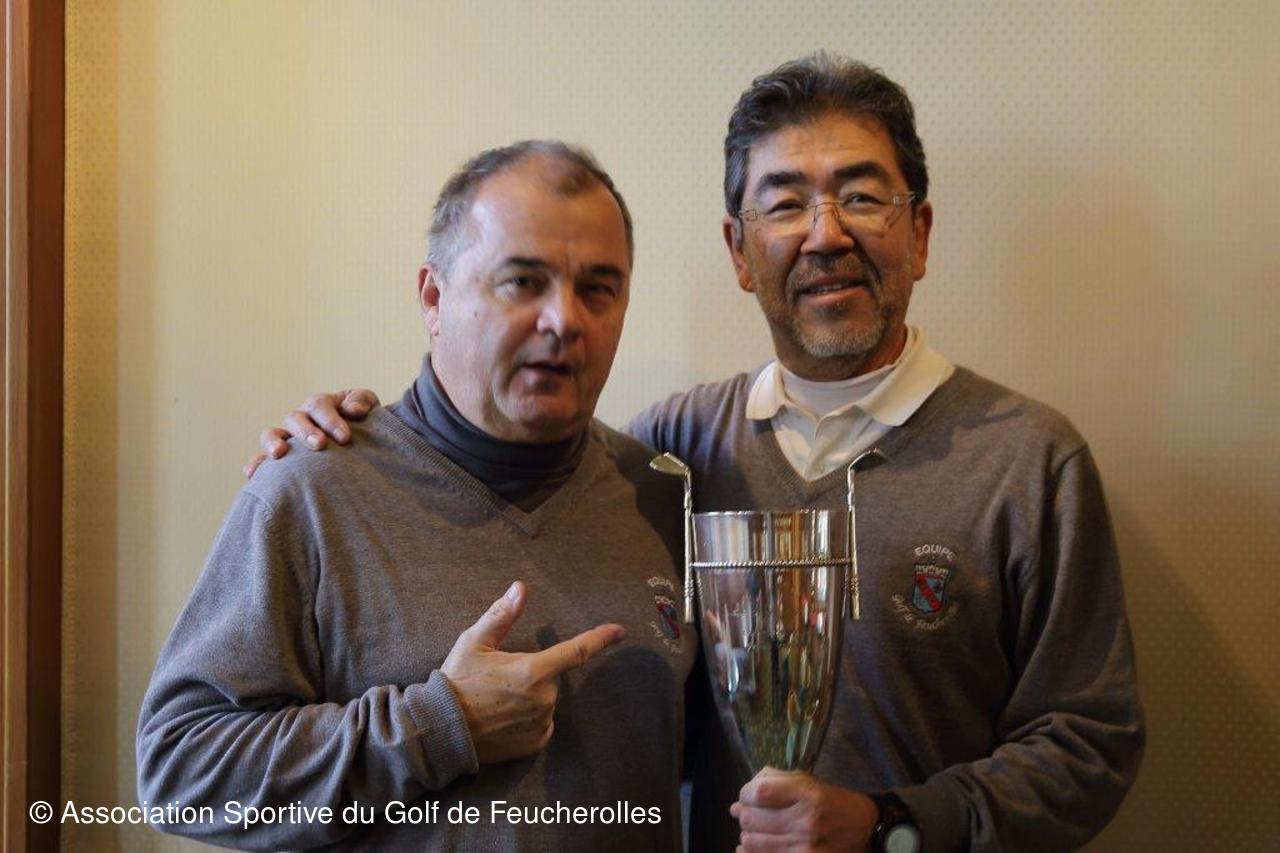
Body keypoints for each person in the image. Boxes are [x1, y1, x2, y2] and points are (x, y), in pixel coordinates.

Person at [252, 55, 1145, 852]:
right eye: (784, 203)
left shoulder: (1031, 461)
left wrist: (893, 826)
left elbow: (1091, 741)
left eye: (863, 197)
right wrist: (360, 437)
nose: (825, 233)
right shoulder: (665, 456)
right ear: (740, 252)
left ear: (919, 234)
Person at [137, 141, 698, 851]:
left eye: (598, 288)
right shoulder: (312, 491)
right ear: (434, 298)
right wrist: (441, 724)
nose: (565, 320)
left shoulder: (663, 494)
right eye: (523, 282)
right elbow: (179, 770)